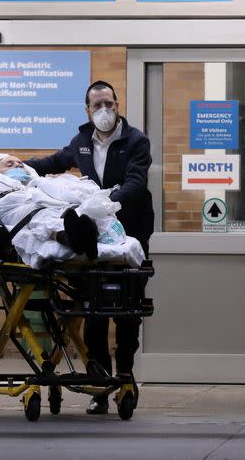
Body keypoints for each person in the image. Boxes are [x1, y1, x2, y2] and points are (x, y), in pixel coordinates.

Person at [25, 80, 154, 415]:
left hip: (130, 233)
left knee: (127, 309)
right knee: (94, 310)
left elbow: (136, 183)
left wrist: (104, 201)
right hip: (95, 236)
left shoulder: (136, 141)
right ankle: (99, 382)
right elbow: (54, 162)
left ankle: (124, 376)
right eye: (97, 106)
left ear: (117, 104)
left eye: (109, 104)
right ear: (87, 109)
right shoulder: (81, 141)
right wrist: (18, 168)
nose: (104, 111)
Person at [0, 154, 145, 269]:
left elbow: (56, 194)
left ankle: (79, 234)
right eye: (9, 164)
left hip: (39, 202)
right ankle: (73, 236)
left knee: (61, 211)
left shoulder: (35, 185)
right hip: (10, 206)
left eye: (20, 164)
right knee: (38, 217)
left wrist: (47, 183)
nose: (17, 166)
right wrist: (12, 186)